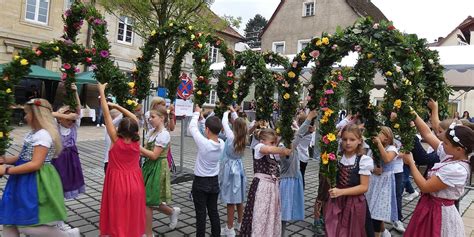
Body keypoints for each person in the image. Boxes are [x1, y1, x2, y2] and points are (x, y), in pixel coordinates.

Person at [0, 98, 80, 237]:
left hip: (35, 181)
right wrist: (6, 160)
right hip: (22, 179)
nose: (25, 117)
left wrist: (7, 170)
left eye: (27, 113)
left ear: (37, 115)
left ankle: (68, 236)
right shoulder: (33, 133)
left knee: (27, 225)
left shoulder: (43, 135)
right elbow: (24, 156)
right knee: (9, 222)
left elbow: (35, 163)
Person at [402, 109, 474, 237]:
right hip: (430, 208)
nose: (442, 144)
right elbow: (428, 134)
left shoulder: (457, 170)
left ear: (459, 149)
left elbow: (425, 186)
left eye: (445, 143)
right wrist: (413, 113)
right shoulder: (451, 156)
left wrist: (411, 163)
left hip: (439, 214)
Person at [97, 83, 146, 237]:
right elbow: (133, 118)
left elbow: (105, 114)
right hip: (135, 182)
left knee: (117, 218)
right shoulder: (136, 142)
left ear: (119, 130)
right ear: (134, 131)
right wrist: (118, 106)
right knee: (131, 217)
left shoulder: (115, 140)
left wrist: (102, 93)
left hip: (117, 183)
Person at [324, 124, 374, 237]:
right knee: (334, 230)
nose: (348, 143)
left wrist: (341, 192)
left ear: (359, 141)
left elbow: (364, 187)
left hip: (355, 204)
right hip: (337, 202)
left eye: (352, 139)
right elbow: (332, 180)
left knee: (354, 232)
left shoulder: (363, 160)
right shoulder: (336, 158)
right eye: (345, 139)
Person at [240, 128, 292, 237]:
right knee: (259, 215)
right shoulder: (259, 147)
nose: (274, 144)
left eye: (274, 142)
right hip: (262, 187)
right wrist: (282, 150)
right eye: (272, 142)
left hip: (272, 188)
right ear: (262, 140)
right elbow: (268, 150)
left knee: (270, 216)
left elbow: (278, 152)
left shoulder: (273, 153)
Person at [140, 107, 180, 236]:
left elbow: (154, 155)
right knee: (150, 200)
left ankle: (148, 234)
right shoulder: (152, 132)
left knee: (148, 202)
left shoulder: (164, 134)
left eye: (153, 117)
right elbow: (146, 152)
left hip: (158, 167)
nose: (150, 119)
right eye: (150, 117)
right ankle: (172, 212)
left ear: (162, 118)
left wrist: (137, 147)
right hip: (149, 167)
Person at [188, 105, 225, 237]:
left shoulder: (205, 144)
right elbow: (209, 132)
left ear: (207, 129)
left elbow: (192, 128)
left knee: (201, 215)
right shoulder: (221, 143)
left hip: (200, 182)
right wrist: (203, 120)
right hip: (214, 181)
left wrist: (196, 113)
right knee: (213, 211)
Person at [281, 110, 317, 236]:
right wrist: (309, 119)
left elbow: (299, 133)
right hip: (288, 178)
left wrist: (307, 120)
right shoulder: (286, 148)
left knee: (284, 214)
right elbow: (299, 134)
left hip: (296, 170)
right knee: (282, 214)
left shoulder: (289, 144)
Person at [51, 83, 86, 200]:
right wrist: (64, 115)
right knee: (58, 179)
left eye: (72, 119)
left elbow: (78, 110)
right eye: (67, 119)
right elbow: (48, 115)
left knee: (70, 179)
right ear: (59, 119)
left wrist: (75, 92)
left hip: (71, 159)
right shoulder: (55, 126)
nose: (70, 121)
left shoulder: (74, 127)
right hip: (58, 158)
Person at [366, 126, 400, 236]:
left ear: (387, 138)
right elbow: (367, 163)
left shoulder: (392, 149)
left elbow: (386, 159)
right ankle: (384, 232)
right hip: (373, 182)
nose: (377, 134)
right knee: (372, 211)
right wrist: (373, 169)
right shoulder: (373, 148)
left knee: (377, 213)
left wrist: (379, 144)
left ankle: (379, 233)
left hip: (385, 184)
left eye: (381, 133)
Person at [219, 107, 248, 236]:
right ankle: (240, 223)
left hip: (230, 169)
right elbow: (238, 123)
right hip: (239, 168)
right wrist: (234, 112)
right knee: (239, 198)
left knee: (230, 200)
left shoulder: (231, 137)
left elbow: (224, 123)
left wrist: (226, 112)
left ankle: (229, 228)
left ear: (234, 127)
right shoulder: (244, 137)